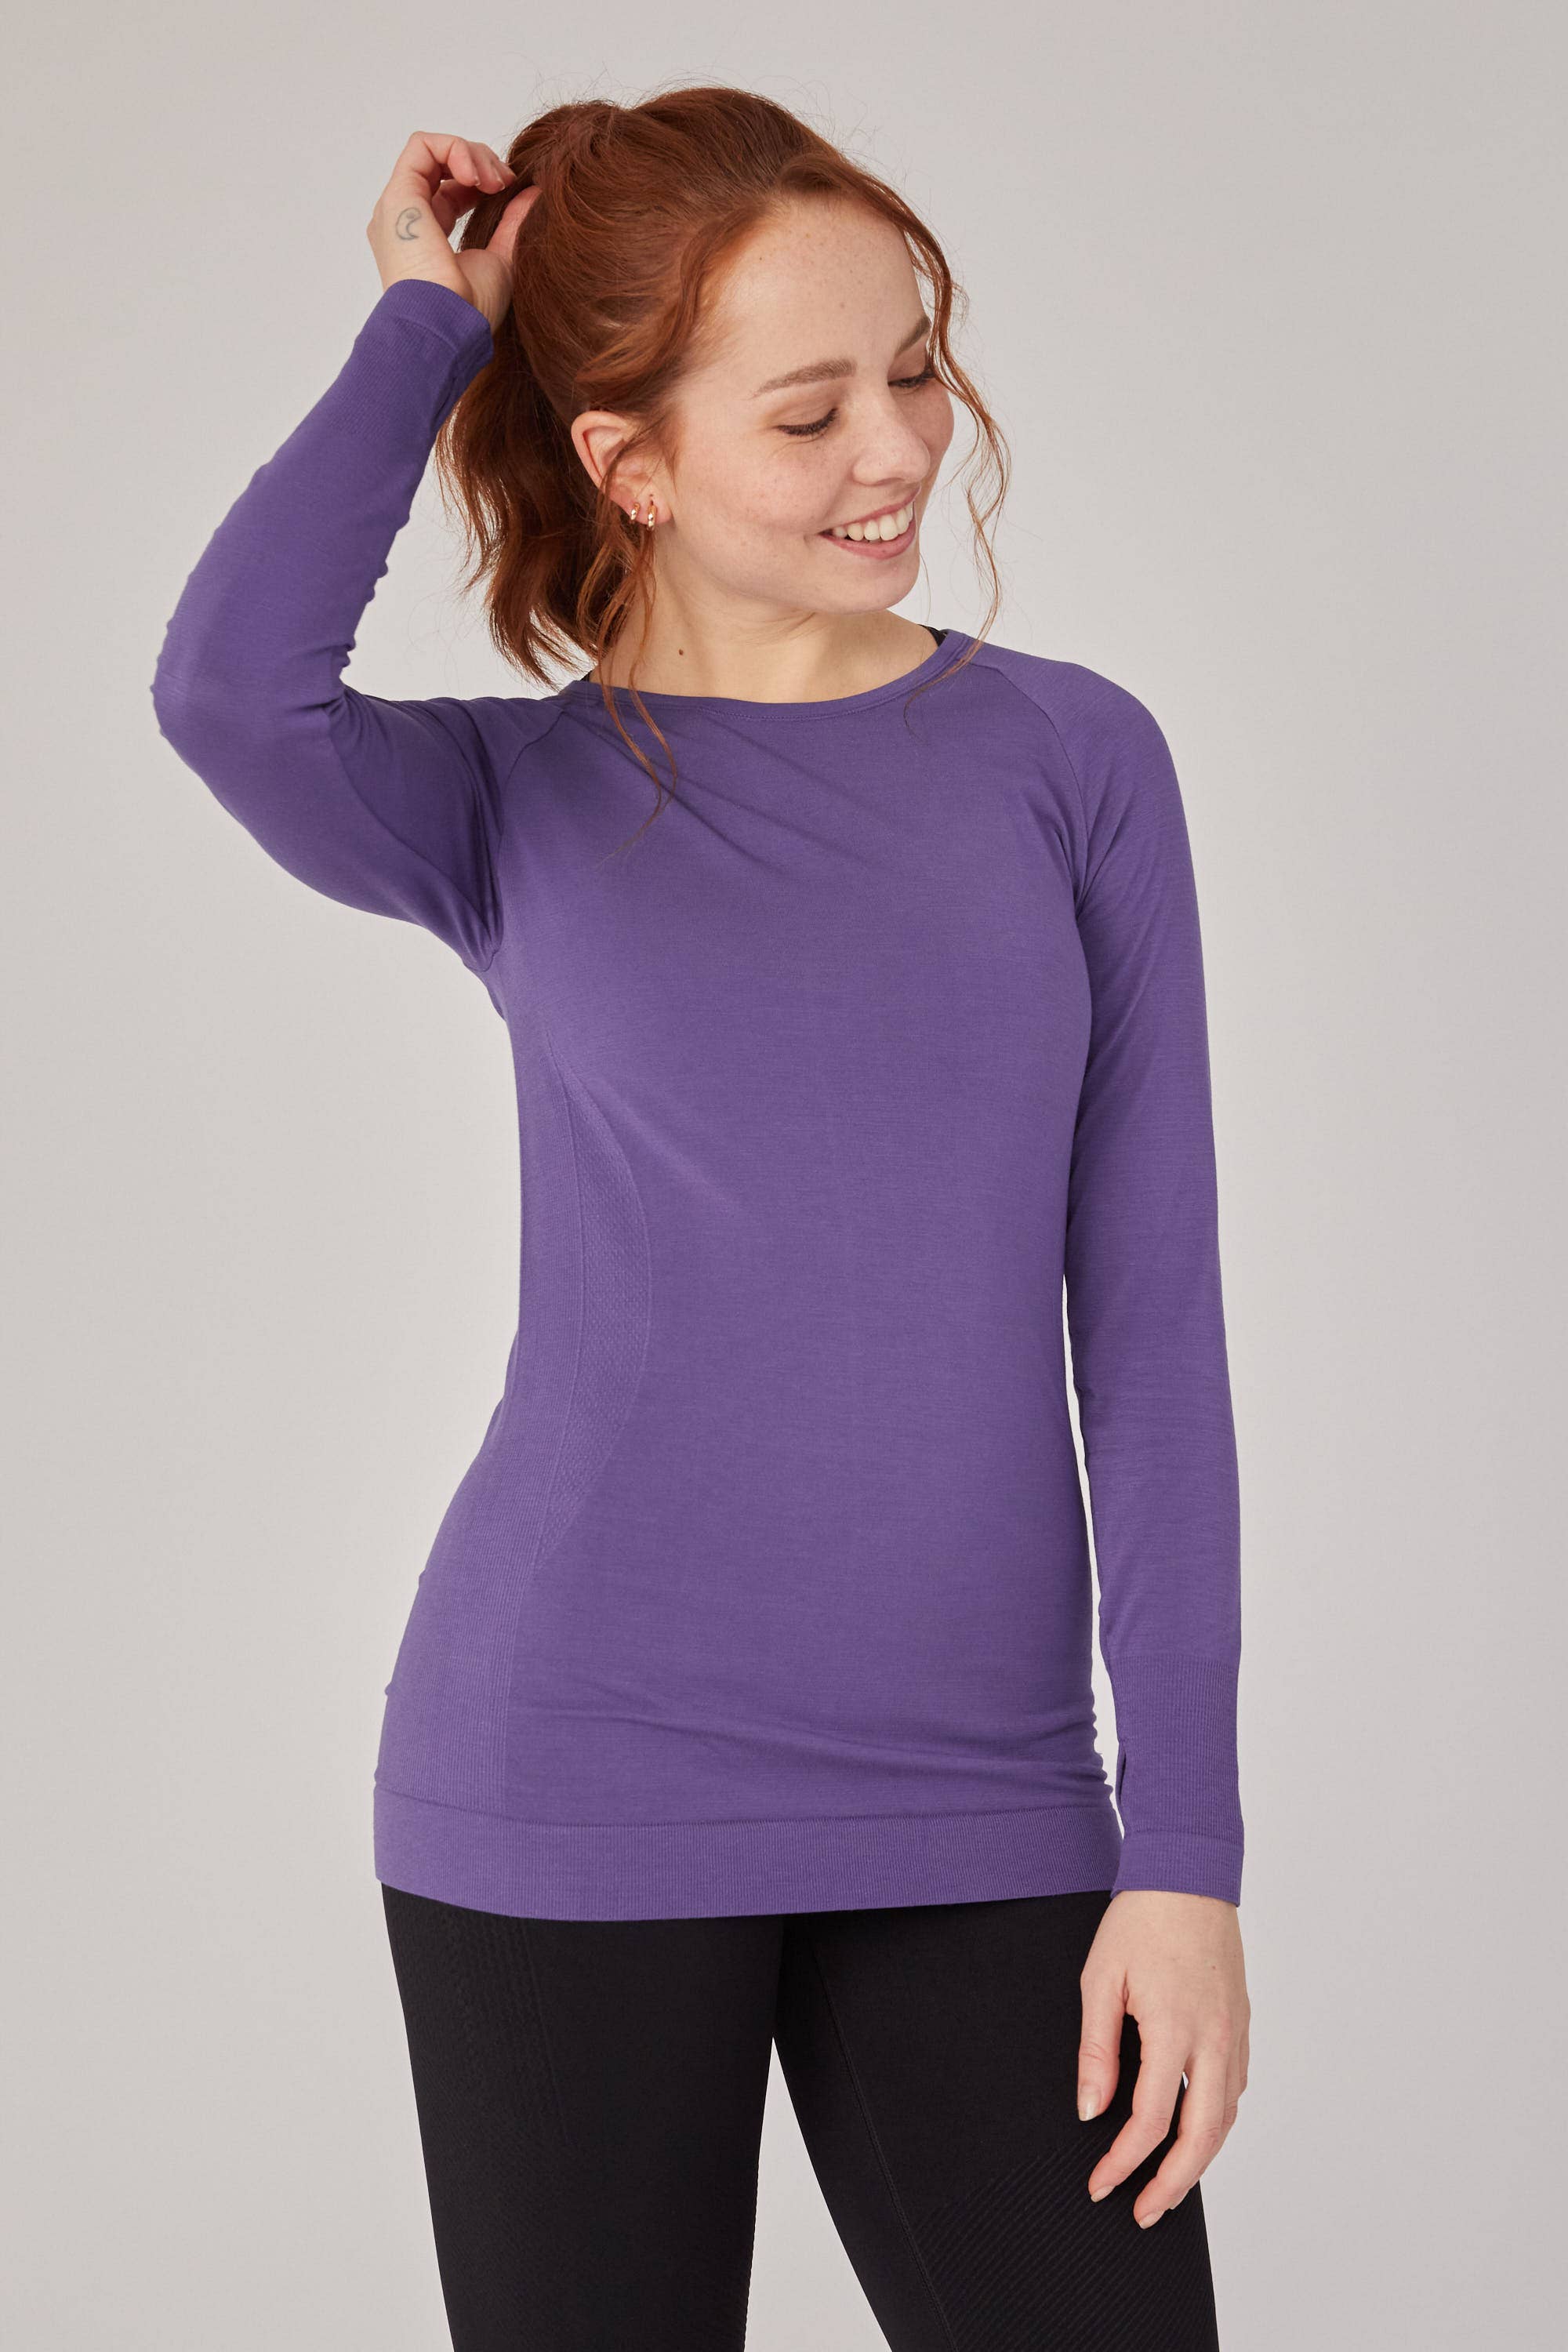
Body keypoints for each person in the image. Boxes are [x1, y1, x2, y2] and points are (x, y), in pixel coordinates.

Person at [151, 88, 1250, 2352]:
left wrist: (1189, 1855)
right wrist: (423, 332)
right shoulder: (507, 800)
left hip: (988, 1802)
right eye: (810, 409)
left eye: (918, 370)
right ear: (629, 462)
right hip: (567, 1773)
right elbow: (226, 691)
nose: (902, 451)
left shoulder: (1075, 763)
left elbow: (1151, 1340)